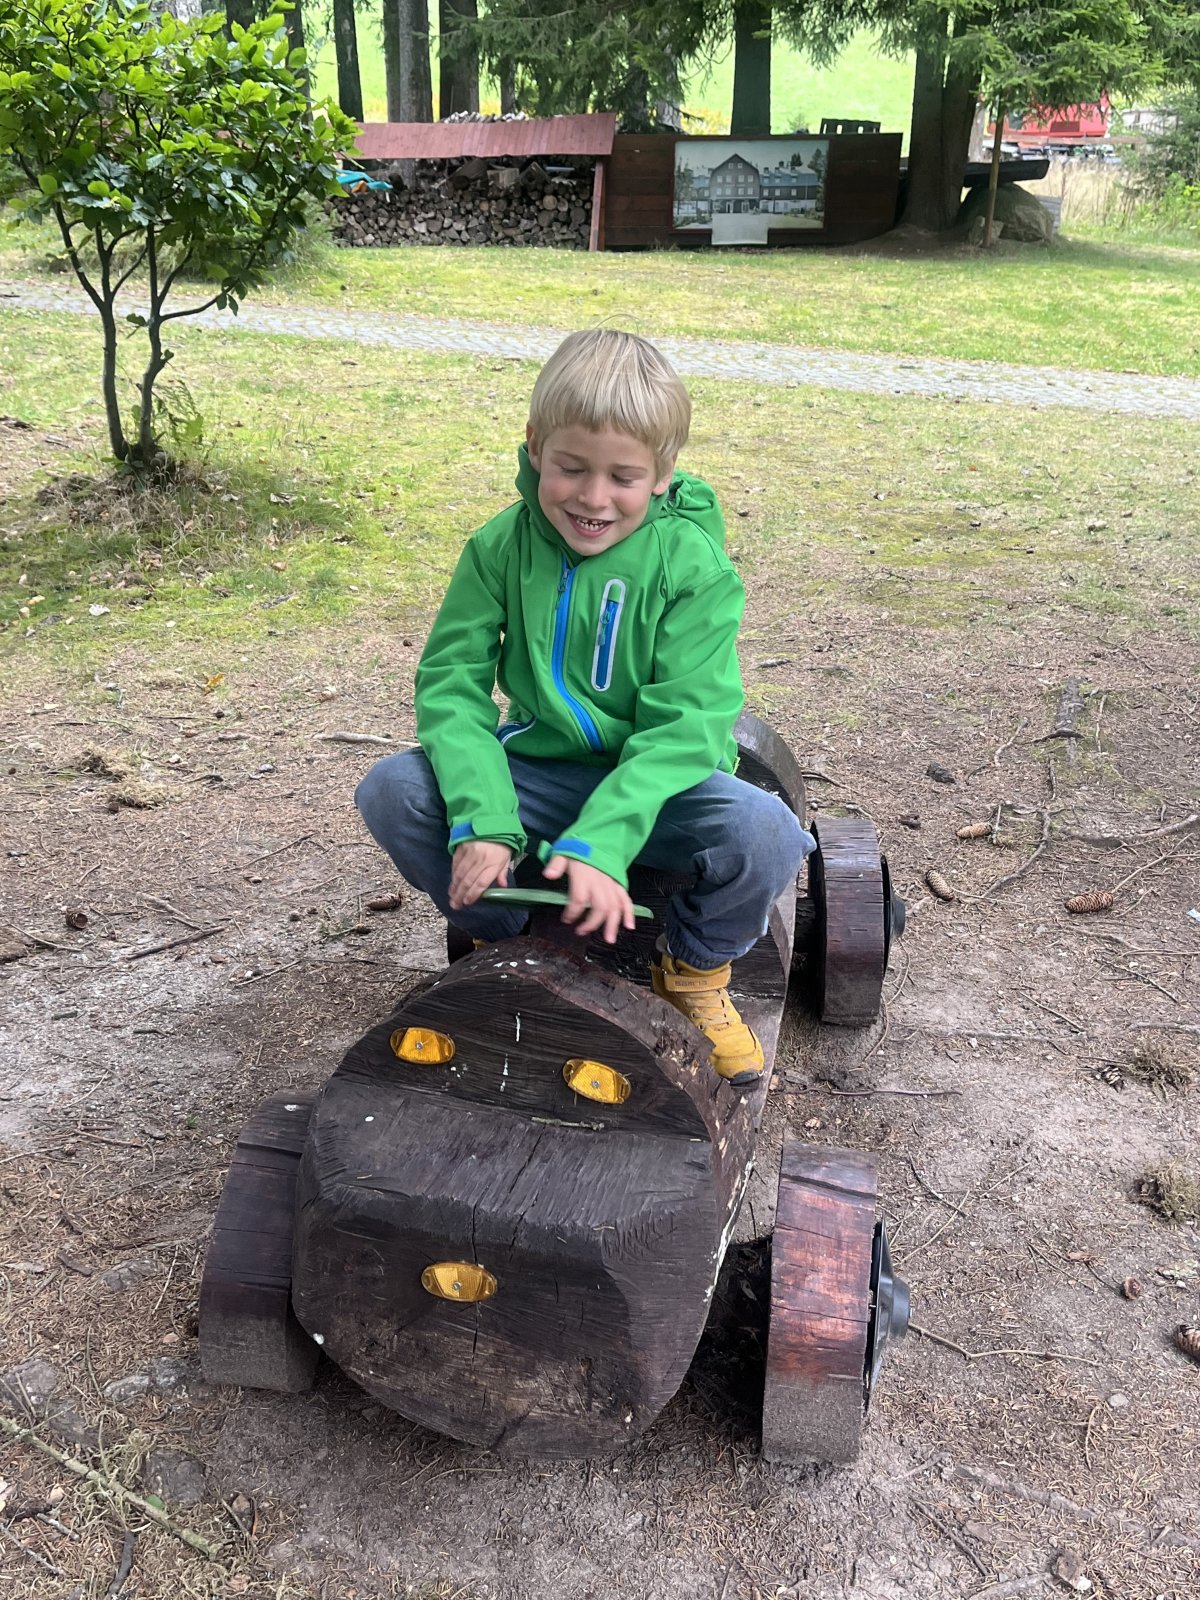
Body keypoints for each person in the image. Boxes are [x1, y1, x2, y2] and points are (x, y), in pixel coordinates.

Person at [355, 330, 812, 1085]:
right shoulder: (498, 548)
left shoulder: (692, 566)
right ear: (536, 447)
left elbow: (687, 725)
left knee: (767, 833)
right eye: (571, 468)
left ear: (663, 475)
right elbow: (452, 688)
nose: (593, 498)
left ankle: (694, 970)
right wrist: (483, 820)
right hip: (539, 771)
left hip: (660, 788)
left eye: (622, 477)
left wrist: (602, 841)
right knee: (393, 790)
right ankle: (503, 936)